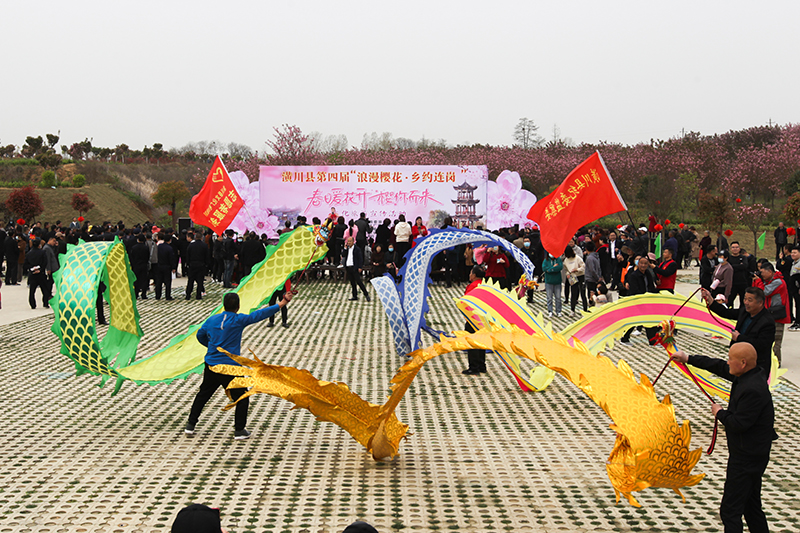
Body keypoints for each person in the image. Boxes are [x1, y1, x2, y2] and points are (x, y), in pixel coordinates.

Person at [671, 343, 777, 533]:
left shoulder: (753, 389)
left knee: (730, 510)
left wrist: (719, 413)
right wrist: (688, 359)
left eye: (731, 359)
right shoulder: (748, 375)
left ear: (742, 363)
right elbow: (718, 366)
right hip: (751, 454)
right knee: (751, 506)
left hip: (747, 458)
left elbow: (738, 423)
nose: (728, 362)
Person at [186, 291, 293, 439]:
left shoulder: (212, 320)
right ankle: (239, 430)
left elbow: (200, 335)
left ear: (224, 305)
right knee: (242, 397)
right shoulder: (238, 320)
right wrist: (282, 303)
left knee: (203, 394)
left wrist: (211, 347)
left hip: (211, 364)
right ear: (238, 306)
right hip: (230, 367)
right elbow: (259, 315)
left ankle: (190, 425)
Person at [702, 286, 775, 373]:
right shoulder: (745, 312)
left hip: (756, 367)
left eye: (750, 300)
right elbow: (725, 312)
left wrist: (739, 338)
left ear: (760, 303)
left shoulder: (767, 322)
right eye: (745, 299)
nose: (746, 302)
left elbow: (761, 345)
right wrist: (710, 299)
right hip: (738, 363)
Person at [752, 262, 790, 363]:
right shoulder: (767, 281)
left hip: (777, 315)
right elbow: (756, 293)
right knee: (766, 340)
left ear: (769, 271)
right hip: (768, 314)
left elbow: (765, 292)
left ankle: (777, 362)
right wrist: (756, 281)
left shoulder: (779, 282)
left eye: (762, 272)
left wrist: (759, 281)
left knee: (776, 341)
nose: (761, 274)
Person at [620, 256, 658, 345]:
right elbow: (634, 290)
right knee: (634, 321)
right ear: (638, 264)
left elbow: (651, 286)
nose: (643, 265)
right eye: (641, 263)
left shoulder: (648, 273)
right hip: (636, 301)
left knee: (649, 320)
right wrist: (643, 298)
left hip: (646, 301)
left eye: (645, 263)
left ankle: (652, 340)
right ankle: (624, 338)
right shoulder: (634, 275)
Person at [462, 266, 487, 375]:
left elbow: (466, 300)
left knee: (472, 342)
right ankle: (481, 365)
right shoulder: (484, 285)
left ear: (474, 275)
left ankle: (474, 367)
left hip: (473, 318)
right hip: (483, 318)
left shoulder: (473, 286)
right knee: (481, 342)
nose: (469, 275)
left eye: (471, 273)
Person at [342, 236, 370, 301]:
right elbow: (343, 255)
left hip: (354, 267)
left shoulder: (357, 249)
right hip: (348, 267)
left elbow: (360, 258)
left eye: (350, 241)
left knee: (359, 281)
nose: (349, 243)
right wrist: (345, 248)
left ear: (353, 242)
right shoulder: (347, 249)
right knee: (352, 283)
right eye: (348, 241)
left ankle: (366, 294)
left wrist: (360, 267)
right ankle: (354, 296)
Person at [24, 238, 49, 309]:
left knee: (32, 291)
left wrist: (32, 269)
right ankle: (45, 303)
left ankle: (33, 304)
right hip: (41, 274)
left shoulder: (28, 254)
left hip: (32, 274)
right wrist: (40, 269)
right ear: (39, 245)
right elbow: (45, 262)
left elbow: (25, 264)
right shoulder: (42, 252)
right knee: (44, 289)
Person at [562, 244, 587, 316]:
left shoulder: (577, 258)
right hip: (572, 277)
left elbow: (583, 267)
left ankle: (585, 309)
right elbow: (566, 269)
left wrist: (577, 269)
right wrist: (568, 274)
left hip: (580, 276)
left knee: (582, 293)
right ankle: (572, 310)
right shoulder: (566, 260)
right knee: (573, 293)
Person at [185, 232, 209, 300]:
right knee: (200, 281)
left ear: (195, 237)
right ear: (202, 238)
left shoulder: (191, 245)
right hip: (201, 265)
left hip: (192, 264)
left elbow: (188, 255)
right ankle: (198, 295)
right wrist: (206, 264)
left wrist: (188, 263)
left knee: (190, 280)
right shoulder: (204, 245)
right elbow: (207, 256)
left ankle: (188, 294)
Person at [155, 233, 176, 300]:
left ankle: (158, 295)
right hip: (167, 266)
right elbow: (171, 258)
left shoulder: (159, 246)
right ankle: (168, 295)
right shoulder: (169, 248)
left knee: (159, 281)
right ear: (170, 240)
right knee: (167, 282)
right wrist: (173, 267)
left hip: (159, 265)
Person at [542, 252, 563, 317]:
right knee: (549, 298)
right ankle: (550, 311)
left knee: (558, 298)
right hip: (549, 281)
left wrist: (550, 269)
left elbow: (560, 267)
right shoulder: (546, 260)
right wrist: (553, 267)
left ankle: (558, 311)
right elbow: (544, 268)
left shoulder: (558, 259)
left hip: (557, 281)